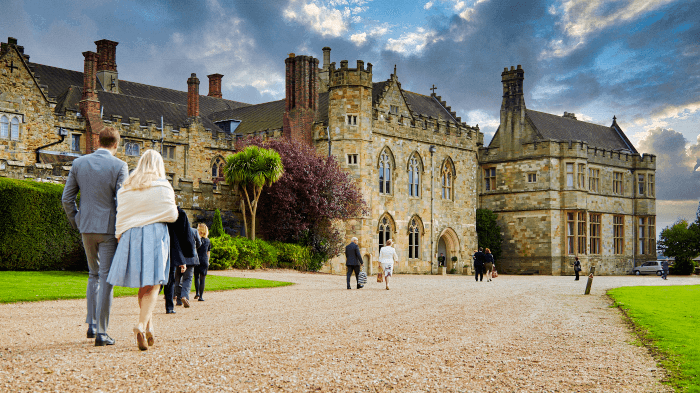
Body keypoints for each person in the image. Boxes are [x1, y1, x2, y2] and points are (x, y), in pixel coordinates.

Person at [62, 128, 128, 347]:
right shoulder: (119, 166)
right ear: (116, 145)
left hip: (86, 226)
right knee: (106, 278)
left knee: (93, 275)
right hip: (109, 228)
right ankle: (102, 332)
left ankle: (91, 325)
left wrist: (77, 221)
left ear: (98, 141)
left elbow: (66, 199)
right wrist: (122, 229)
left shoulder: (79, 163)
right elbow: (121, 201)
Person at [107, 149, 178, 351]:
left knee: (143, 285)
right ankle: (140, 325)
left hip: (131, 236)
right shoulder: (163, 186)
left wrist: (120, 236)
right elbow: (172, 215)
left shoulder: (126, 188)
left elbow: (121, 216)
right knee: (155, 284)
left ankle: (149, 328)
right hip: (155, 235)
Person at [164, 206, 198, 314]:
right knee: (172, 279)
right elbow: (189, 239)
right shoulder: (177, 213)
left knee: (171, 279)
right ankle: (171, 306)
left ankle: (172, 303)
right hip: (174, 251)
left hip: (165, 247)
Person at [175, 227, 201, 307]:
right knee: (188, 279)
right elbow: (199, 243)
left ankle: (179, 300)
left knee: (177, 279)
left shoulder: (177, 230)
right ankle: (184, 296)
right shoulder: (194, 231)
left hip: (179, 257)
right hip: (190, 258)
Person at [194, 223, 212, 301]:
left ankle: (197, 293)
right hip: (204, 260)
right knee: (202, 278)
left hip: (196, 260)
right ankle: (201, 296)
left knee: (196, 277)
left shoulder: (196, 240)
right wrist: (208, 261)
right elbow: (208, 253)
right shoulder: (207, 241)